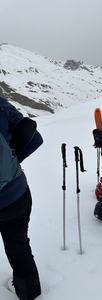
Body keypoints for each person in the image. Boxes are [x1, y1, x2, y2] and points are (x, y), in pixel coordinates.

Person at [0, 96, 43, 299]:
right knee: (18, 245)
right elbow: (34, 138)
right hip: (16, 195)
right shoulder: (0, 104)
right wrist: (10, 165)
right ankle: (29, 292)